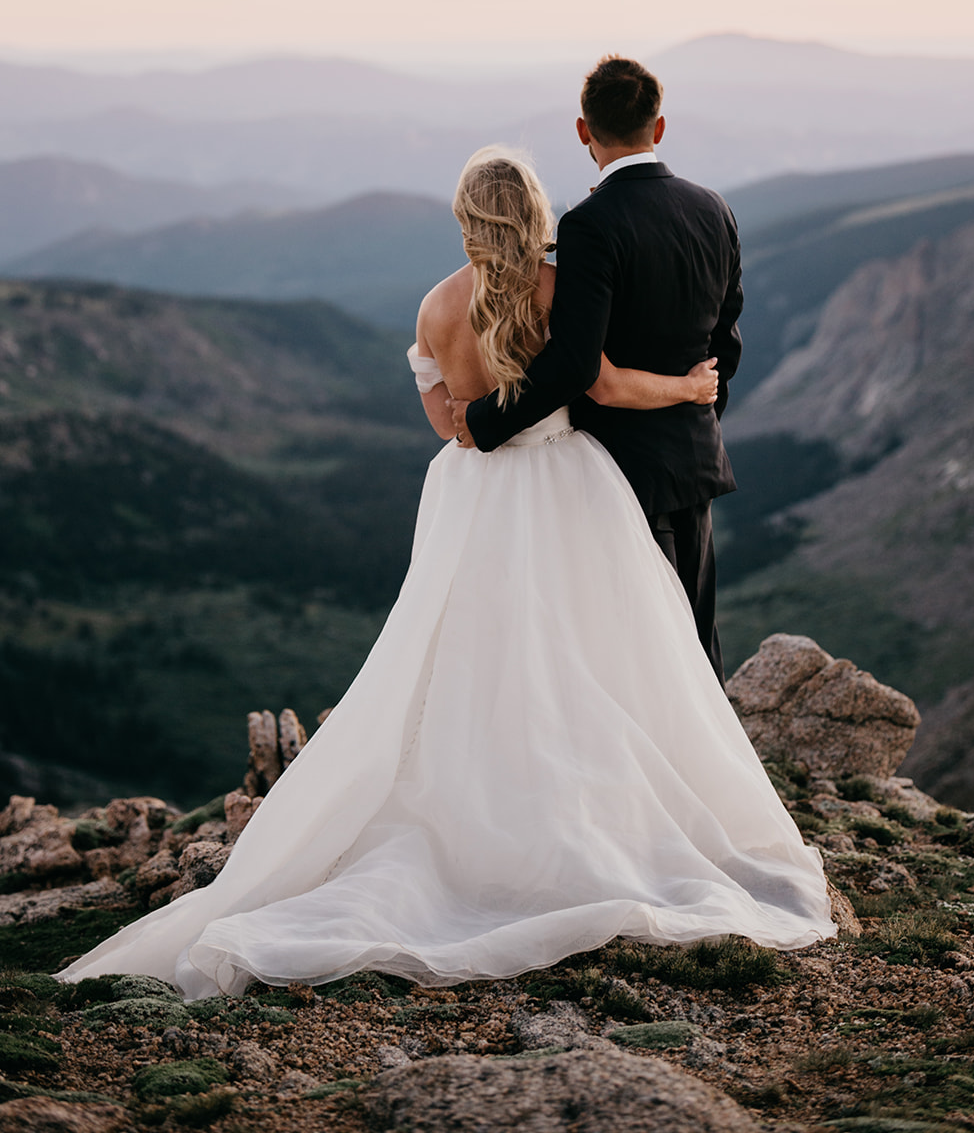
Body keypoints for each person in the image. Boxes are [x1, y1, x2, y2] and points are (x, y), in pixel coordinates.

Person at [59, 147, 834, 1000]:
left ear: (465, 218)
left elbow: (449, 424)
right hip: (567, 479)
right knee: (592, 648)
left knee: (465, 648)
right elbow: (603, 386)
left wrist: (473, 415)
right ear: (533, 212)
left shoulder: (435, 306)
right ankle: (581, 808)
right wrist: (688, 391)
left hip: (470, 494)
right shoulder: (550, 288)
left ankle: (466, 804)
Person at [453, 57, 742, 684]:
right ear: (658, 127)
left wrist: (481, 421)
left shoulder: (588, 225)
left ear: (584, 131)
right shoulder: (713, 209)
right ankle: (717, 779)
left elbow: (576, 364)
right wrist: (694, 411)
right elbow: (725, 345)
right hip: (694, 457)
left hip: (619, 470)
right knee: (694, 643)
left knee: (636, 652)